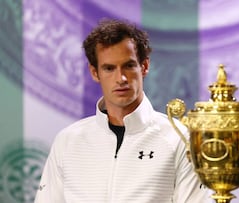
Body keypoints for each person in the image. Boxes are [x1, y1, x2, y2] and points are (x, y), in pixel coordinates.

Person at [35, 19, 210, 203]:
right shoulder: (67, 141)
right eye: (109, 68)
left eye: (129, 65)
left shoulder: (180, 139)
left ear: (144, 66)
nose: (121, 78)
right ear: (95, 72)